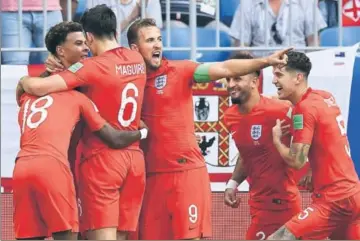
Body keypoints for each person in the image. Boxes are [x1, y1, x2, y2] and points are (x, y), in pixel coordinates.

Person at [124, 18, 291, 240]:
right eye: (150, 40)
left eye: (160, 39)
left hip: (186, 175)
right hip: (150, 178)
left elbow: (224, 67)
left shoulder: (180, 70)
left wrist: (266, 61)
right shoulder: (127, 81)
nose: (157, 45)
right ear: (134, 48)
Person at [17, 5, 147, 240]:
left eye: (83, 42)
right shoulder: (136, 58)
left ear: (89, 36)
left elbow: (37, 88)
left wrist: (25, 78)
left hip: (102, 159)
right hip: (134, 161)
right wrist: (144, 132)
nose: (85, 48)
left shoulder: (90, 69)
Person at [14, 86, 148, 240]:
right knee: (67, 234)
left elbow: (21, 89)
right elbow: (114, 139)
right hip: (53, 166)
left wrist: (25, 81)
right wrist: (143, 133)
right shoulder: (78, 98)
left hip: (21, 167)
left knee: (28, 235)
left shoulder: (28, 96)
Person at [268, 51, 360, 240]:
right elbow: (331, 138)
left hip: (335, 200)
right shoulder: (325, 97)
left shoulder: (304, 109)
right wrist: (313, 169)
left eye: (279, 75)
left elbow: (297, 161)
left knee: (278, 239)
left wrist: (277, 140)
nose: (273, 81)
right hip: (353, 193)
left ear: (298, 78)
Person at [222, 52, 302, 240]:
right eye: (228, 79)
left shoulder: (281, 110)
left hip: (282, 206)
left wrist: (311, 170)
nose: (231, 84)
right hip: (257, 204)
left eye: (238, 78)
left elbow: (311, 131)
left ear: (254, 81)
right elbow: (246, 154)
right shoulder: (229, 116)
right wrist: (233, 184)